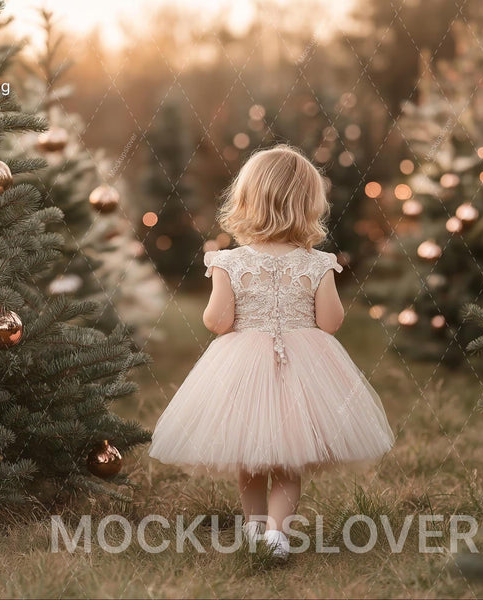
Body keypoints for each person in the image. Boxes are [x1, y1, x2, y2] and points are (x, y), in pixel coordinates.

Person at [149, 145, 393, 560]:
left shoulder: (228, 261)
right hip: (305, 363)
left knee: (250, 451)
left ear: (247, 201)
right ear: (308, 207)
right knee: (289, 459)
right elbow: (331, 322)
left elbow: (217, 322)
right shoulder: (318, 263)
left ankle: (255, 527)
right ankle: (277, 534)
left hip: (243, 364)